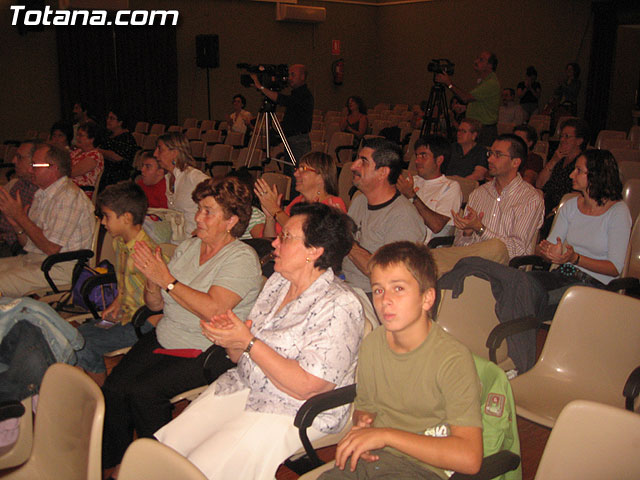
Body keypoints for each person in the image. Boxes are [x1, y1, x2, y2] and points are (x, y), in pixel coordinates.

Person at [155, 202, 363, 480]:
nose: (274, 242)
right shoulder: (278, 282)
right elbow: (239, 357)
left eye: (285, 237)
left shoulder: (339, 305)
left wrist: (249, 341)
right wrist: (230, 338)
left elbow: (309, 386)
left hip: (295, 408)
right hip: (246, 385)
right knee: (170, 449)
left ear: (314, 251)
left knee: (203, 468)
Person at [101, 177, 263, 474]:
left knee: (143, 393)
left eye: (208, 211)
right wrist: (153, 282)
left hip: (206, 347)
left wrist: (167, 281)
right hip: (166, 335)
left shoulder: (241, 258)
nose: (198, 217)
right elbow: (156, 305)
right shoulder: (190, 247)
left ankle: (161, 470)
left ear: (232, 221)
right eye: (199, 209)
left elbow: (214, 309)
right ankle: (118, 463)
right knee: (114, 387)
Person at [319, 241, 482, 480]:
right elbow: (366, 406)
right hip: (374, 457)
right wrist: (362, 426)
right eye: (378, 290)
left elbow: (470, 458)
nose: (385, 300)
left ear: (427, 299)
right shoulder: (374, 343)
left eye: (398, 289)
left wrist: (384, 435)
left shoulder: (452, 360)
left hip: (422, 468)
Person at [530, 149, 632, 320]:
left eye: (578, 170)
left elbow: (614, 268)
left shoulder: (618, 212)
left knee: (534, 301)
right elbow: (551, 247)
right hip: (565, 273)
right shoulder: (570, 205)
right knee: (519, 285)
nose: (571, 175)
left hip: (596, 284)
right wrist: (546, 251)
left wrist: (575, 259)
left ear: (596, 175)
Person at [75, 182, 160, 385]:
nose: (103, 222)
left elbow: (158, 301)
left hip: (142, 324)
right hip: (124, 315)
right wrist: (116, 304)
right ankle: (82, 387)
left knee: (84, 344)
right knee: (75, 335)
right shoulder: (120, 242)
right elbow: (125, 286)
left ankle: (102, 395)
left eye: (107, 216)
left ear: (127, 218)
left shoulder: (144, 253)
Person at [0, 144, 94, 297]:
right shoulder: (42, 194)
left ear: (53, 168)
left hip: (58, 268)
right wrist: (18, 226)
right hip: (35, 260)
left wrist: (20, 216)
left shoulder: (68, 197)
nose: (31, 170)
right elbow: (28, 244)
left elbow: (51, 248)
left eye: (35, 165)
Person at [343, 138, 426, 293]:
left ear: (382, 172)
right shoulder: (360, 201)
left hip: (372, 296)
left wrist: (347, 242)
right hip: (343, 284)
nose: (353, 166)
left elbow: (388, 276)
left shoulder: (403, 216)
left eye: (363, 162)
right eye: (356, 160)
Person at [453, 134, 544, 258]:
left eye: (498, 155)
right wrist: (467, 233)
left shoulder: (530, 199)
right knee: (429, 262)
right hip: (469, 260)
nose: (490, 159)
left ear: (515, 162)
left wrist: (481, 230)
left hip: (502, 269)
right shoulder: (479, 193)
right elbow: (458, 246)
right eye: (490, 153)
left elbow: (517, 250)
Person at [255, 151, 346, 238]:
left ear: (321, 177)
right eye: (297, 169)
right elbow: (270, 240)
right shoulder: (298, 201)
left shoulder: (333, 204)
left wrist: (275, 210)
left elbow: (305, 236)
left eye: (303, 169)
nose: (295, 173)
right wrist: (270, 217)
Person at [396, 136, 462, 245]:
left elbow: (437, 226)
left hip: (424, 247)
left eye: (423, 155)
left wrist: (413, 197)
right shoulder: (411, 181)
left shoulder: (450, 187)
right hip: (397, 239)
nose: (417, 161)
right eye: (416, 155)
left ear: (439, 160)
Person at [250, 64, 314, 167]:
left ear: (302, 77)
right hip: (291, 139)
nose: (289, 78)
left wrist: (261, 87)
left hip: (299, 141)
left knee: (297, 173)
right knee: (290, 172)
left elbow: (283, 100)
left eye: (293, 75)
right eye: (289, 75)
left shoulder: (304, 95)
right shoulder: (296, 93)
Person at [154, 131, 209, 243]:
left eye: (160, 149)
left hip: (196, 242)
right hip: (177, 242)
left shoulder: (193, 176)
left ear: (174, 152)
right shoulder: (168, 178)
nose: (155, 154)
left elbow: (221, 200)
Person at [536, 118, 588, 237]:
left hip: (565, 209)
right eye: (562, 136)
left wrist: (557, 209)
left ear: (579, 141)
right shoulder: (558, 159)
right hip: (547, 204)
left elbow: (577, 195)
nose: (562, 140)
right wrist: (553, 161)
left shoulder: (583, 164)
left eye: (567, 136)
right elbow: (539, 184)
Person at [436, 51, 501, 146]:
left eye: (481, 60)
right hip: (479, 128)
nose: (476, 61)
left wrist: (448, 83)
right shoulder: (484, 82)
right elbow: (483, 102)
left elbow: (466, 98)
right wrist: (467, 108)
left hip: (484, 131)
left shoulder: (491, 83)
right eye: (477, 58)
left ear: (489, 65)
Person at [0, 141, 39, 257]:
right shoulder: (19, 184)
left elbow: (25, 231)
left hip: (16, 247)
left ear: (34, 162)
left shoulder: (40, 191)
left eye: (19, 157)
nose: (13, 161)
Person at [97, 109, 139, 190]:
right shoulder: (108, 136)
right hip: (105, 172)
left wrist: (98, 151)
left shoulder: (127, 138)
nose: (108, 121)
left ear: (120, 122)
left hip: (117, 175)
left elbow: (118, 157)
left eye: (112, 118)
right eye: (108, 118)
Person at [70, 121, 104, 198]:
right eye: (77, 135)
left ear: (91, 139)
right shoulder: (77, 151)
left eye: (81, 135)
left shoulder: (95, 156)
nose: (77, 138)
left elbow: (71, 172)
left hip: (81, 192)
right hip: (69, 188)